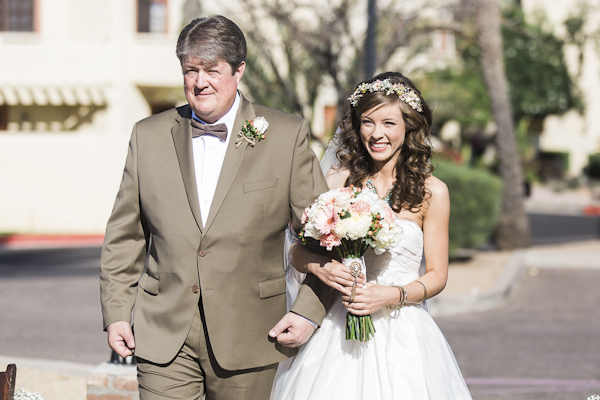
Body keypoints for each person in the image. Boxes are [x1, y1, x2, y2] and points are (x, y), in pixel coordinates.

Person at [99, 15, 332, 400]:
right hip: (163, 334)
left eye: (211, 70)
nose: (199, 81)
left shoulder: (286, 136)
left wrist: (309, 311)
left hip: (252, 334)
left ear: (239, 70)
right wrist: (117, 311)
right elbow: (124, 238)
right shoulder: (147, 136)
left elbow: (326, 234)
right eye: (190, 70)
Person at [271, 72, 472, 399]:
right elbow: (297, 251)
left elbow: (437, 275)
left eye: (389, 123)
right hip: (337, 327)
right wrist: (321, 268)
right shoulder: (339, 180)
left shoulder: (432, 192)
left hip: (403, 331)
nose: (377, 134)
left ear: (409, 127)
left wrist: (389, 295)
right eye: (368, 122)